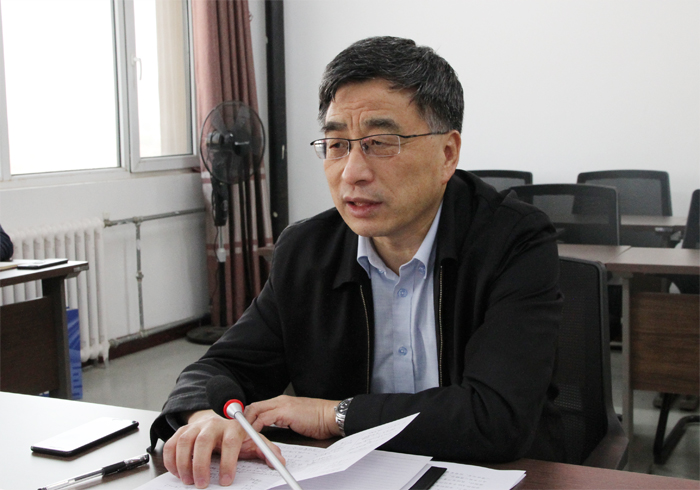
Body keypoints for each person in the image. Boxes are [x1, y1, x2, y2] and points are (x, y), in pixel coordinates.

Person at [150, 36, 565, 488]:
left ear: (447, 154)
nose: (352, 173)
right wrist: (204, 418)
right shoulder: (306, 251)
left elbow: (496, 417)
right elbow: (216, 370)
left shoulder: (514, 240)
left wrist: (333, 414)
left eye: (380, 143)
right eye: (336, 145)